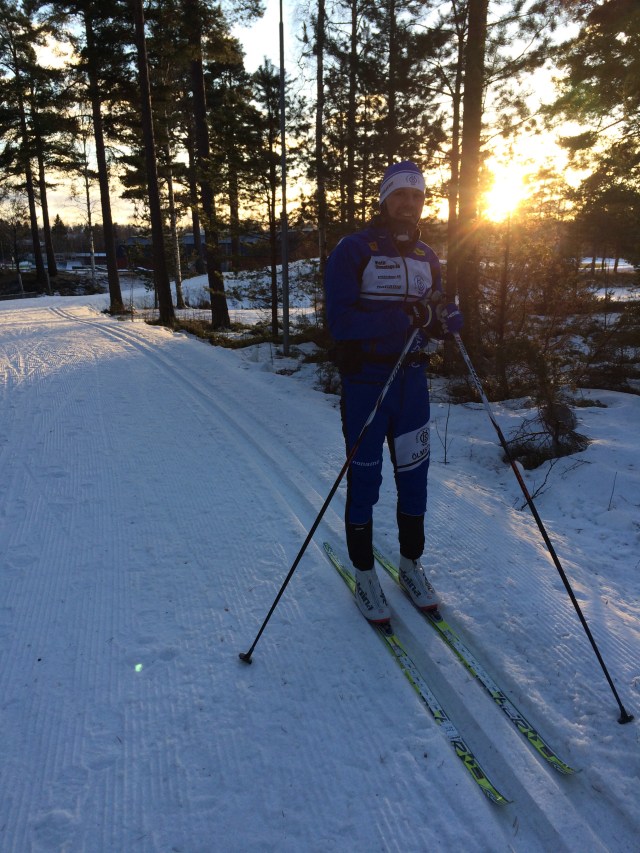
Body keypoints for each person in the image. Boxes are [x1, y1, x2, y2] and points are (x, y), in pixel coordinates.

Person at [324, 161, 463, 624]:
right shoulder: (354, 249)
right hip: (367, 383)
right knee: (365, 480)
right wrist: (403, 316)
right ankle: (364, 574)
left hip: (412, 385)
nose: (409, 204)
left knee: (415, 479)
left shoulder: (428, 256)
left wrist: (447, 321)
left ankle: (410, 565)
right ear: (384, 199)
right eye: (400, 195)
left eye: (417, 196)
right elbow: (341, 323)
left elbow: (438, 312)